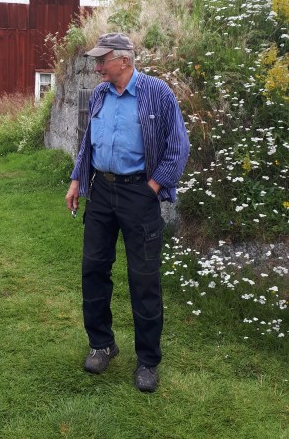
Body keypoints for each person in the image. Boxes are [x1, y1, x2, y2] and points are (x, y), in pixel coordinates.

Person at [65, 32, 190, 392]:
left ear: (124, 60)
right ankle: (101, 344)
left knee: (144, 278)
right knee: (93, 268)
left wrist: (152, 187)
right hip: (102, 192)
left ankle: (148, 361)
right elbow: (88, 141)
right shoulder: (100, 94)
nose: (97, 67)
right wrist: (77, 179)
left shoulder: (157, 93)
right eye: (96, 61)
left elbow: (178, 146)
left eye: (102, 60)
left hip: (140, 192)